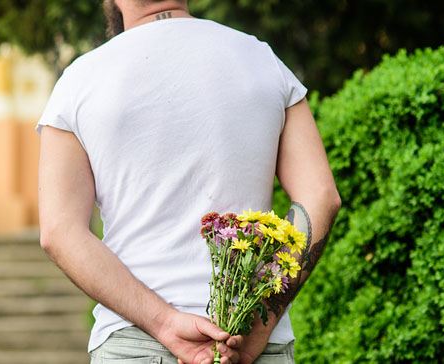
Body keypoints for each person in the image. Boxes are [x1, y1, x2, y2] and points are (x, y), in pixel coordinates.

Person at [36, 1, 341, 363]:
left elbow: (59, 231)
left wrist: (164, 323)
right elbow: (321, 196)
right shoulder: (261, 60)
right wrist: (258, 323)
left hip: (136, 342)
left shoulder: (80, 79)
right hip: (250, 344)